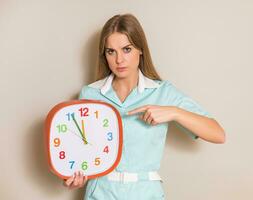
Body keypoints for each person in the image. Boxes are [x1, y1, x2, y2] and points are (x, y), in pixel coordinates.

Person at [63, 13, 225, 199]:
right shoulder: (90, 94)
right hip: (100, 192)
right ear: (104, 55)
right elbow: (80, 153)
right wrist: (76, 177)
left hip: (146, 193)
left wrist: (174, 112)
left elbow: (218, 134)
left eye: (126, 49)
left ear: (140, 49)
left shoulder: (162, 92)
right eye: (111, 51)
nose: (119, 60)